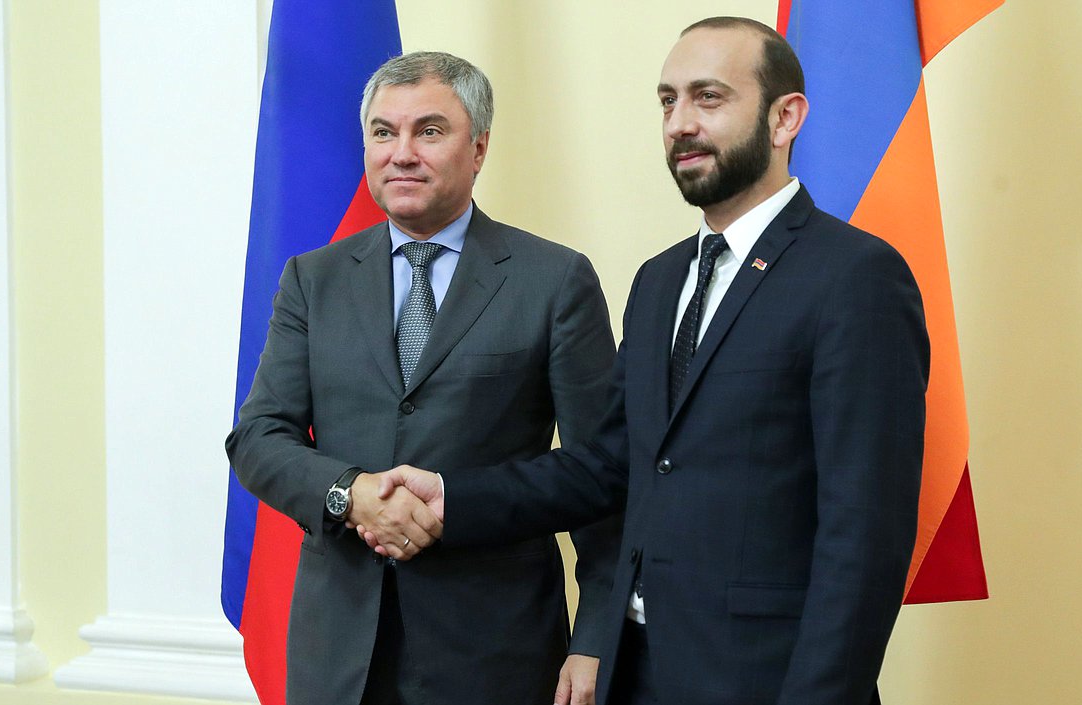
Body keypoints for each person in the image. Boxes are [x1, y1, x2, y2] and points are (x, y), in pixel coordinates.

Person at [363, 18, 931, 705]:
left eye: (709, 98)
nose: (680, 123)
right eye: (668, 101)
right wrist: (452, 496)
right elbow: (605, 467)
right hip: (635, 674)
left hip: (764, 681)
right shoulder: (660, 281)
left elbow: (864, 533)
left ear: (786, 118)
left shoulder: (856, 278)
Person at [226, 51, 621, 705]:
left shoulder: (554, 281)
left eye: (429, 131)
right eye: (384, 132)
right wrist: (348, 494)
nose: (401, 152)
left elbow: (603, 474)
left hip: (496, 652)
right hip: (339, 655)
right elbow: (259, 439)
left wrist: (595, 638)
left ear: (479, 148)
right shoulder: (312, 279)